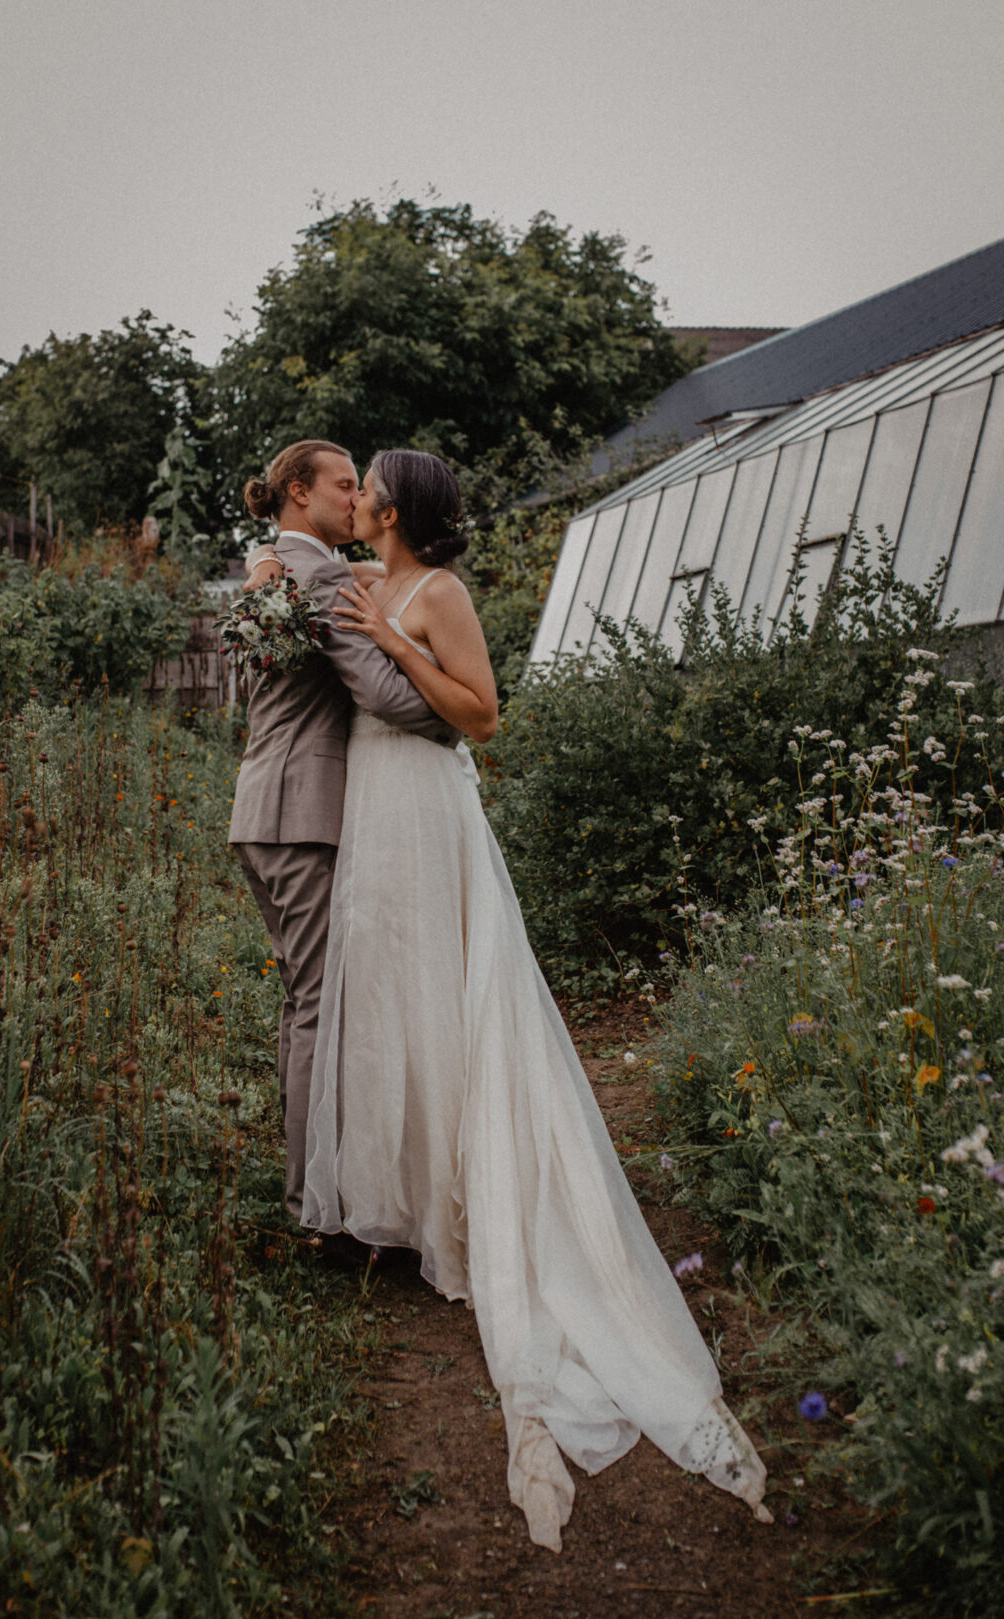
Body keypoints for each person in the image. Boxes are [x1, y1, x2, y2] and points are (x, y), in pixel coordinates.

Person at [298, 448, 773, 1550]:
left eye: (370, 487)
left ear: (398, 507)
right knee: (390, 996)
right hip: (373, 805)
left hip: (430, 804)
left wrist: (396, 647)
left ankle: (474, 1206)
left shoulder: (438, 593)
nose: (358, 498)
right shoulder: (360, 579)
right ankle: (411, 1203)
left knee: (448, 992)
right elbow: (313, 613)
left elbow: (483, 716)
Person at [228, 440, 459, 1222]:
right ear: (299, 492)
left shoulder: (282, 566)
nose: (356, 497)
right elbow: (382, 694)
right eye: (343, 484)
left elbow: (353, 572)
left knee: (304, 1002)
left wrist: (282, 555)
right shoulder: (315, 574)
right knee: (320, 1007)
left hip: (264, 811)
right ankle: (312, 1202)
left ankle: (312, 1184)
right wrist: (459, 719)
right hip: (301, 814)